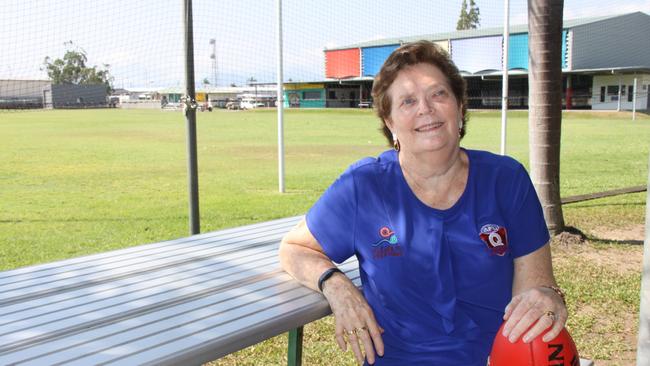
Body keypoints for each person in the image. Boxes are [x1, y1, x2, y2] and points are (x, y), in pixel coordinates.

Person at [278, 40, 567, 366]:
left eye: (438, 94)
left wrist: (546, 298)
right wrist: (337, 286)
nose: (425, 109)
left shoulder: (506, 180)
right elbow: (294, 248)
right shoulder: (364, 186)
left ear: (459, 107)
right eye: (408, 101)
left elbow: (537, 288)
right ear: (390, 123)